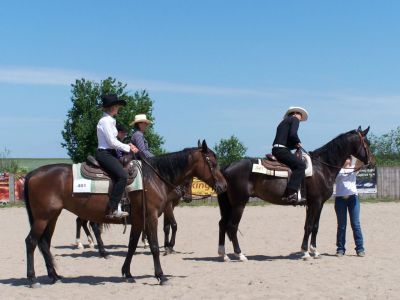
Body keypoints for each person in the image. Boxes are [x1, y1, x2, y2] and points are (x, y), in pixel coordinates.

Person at [96, 94, 139, 219]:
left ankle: (121, 204)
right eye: (117, 106)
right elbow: (112, 142)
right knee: (122, 176)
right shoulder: (105, 121)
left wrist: (127, 145)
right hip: (105, 153)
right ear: (113, 107)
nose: (118, 108)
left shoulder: (110, 121)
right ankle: (113, 208)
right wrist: (128, 147)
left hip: (110, 153)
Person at [272, 106, 308, 205]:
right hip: (281, 150)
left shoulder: (283, 123)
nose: (300, 120)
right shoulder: (294, 119)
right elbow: (293, 134)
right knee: (301, 165)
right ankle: (292, 192)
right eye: (301, 116)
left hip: (277, 149)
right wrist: (298, 142)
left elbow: (286, 140)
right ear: (296, 113)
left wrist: (294, 145)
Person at [334, 156, 365, 257]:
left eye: (349, 158)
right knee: (341, 225)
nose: (347, 160)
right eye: (346, 158)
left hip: (353, 199)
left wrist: (356, 151)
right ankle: (340, 249)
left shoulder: (353, 168)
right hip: (340, 199)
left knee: (356, 224)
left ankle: (360, 249)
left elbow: (362, 161)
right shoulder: (337, 169)